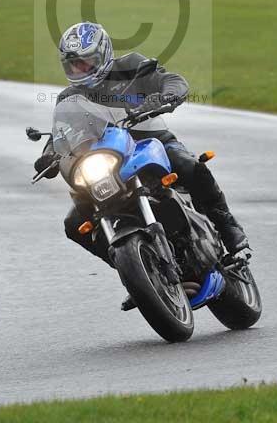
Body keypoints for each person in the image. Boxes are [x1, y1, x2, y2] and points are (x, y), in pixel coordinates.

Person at [34, 21, 249, 309]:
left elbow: (170, 80)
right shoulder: (68, 99)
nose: (80, 71)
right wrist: (50, 153)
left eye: (86, 63)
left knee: (189, 166)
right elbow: (61, 133)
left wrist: (165, 96)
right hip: (104, 160)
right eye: (73, 66)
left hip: (150, 142)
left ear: (103, 54)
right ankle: (141, 273)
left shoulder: (132, 67)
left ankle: (230, 230)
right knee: (74, 224)